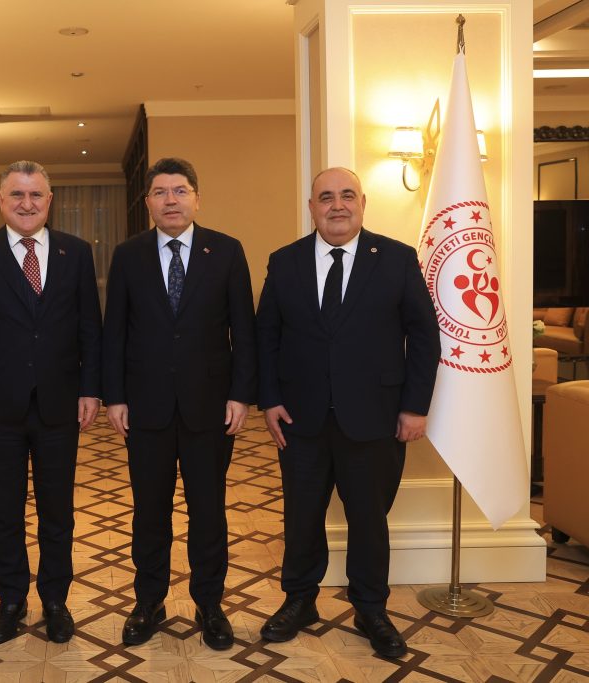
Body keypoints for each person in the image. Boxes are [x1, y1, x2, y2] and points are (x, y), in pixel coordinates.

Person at [255, 167, 439, 659]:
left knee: (368, 519)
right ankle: (299, 601)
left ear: (362, 203)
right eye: (325, 197)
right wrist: (269, 399)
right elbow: (265, 336)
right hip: (300, 419)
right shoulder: (285, 261)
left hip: (376, 417)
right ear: (311, 207)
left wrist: (415, 407)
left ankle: (370, 609)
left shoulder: (397, 258)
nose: (337, 205)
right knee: (301, 516)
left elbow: (424, 337)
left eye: (347, 196)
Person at [102, 157, 257, 651]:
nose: (171, 200)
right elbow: (114, 332)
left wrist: (241, 394)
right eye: (161, 192)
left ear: (197, 198)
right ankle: (148, 602)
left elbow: (244, 332)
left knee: (208, 512)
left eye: (180, 190)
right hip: (144, 409)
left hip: (209, 409)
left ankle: (210, 604)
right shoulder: (128, 255)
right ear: (147, 202)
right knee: (149, 512)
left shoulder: (227, 251)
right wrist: (114, 397)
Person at [0, 160, 102, 644]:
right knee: (4, 513)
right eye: (17, 194)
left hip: (60, 406)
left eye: (36, 195)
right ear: (1, 200)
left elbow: (90, 328)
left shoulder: (76, 252)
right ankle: (11, 599)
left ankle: (55, 600)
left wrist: (90, 388)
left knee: (58, 513)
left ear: (49, 201)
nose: (27, 203)